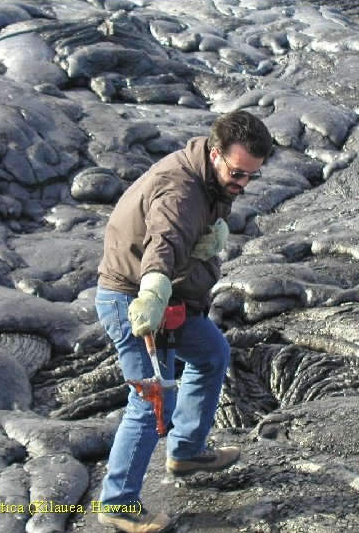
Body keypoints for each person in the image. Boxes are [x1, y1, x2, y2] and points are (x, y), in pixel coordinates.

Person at [94, 110, 273, 533]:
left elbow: (183, 238)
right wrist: (153, 294)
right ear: (215, 154)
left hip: (176, 298)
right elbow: (164, 244)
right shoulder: (181, 190)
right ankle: (117, 503)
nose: (243, 184)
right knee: (153, 397)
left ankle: (187, 450)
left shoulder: (209, 175)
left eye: (252, 177)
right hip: (133, 299)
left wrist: (210, 237)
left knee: (212, 353)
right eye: (238, 173)